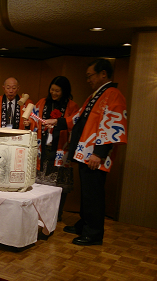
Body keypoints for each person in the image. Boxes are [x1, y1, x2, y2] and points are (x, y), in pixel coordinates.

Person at [44, 59, 128, 246]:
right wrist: (56, 122)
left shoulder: (113, 94)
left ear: (103, 74)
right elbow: (77, 117)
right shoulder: (96, 95)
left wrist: (99, 153)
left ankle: (94, 232)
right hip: (85, 151)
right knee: (87, 192)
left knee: (94, 194)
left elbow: (114, 125)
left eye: (90, 75)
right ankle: (85, 223)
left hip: (95, 154)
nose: (88, 79)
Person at [27, 76, 79, 221]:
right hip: (42, 149)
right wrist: (31, 121)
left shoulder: (72, 106)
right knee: (39, 184)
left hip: (60, 150)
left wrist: (58, 123)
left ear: (65, 91)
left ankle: (56, 214)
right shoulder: (42, 102)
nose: (54, 93)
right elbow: (33, 118)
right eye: (52, 89)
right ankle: (37, 214)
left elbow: (75, 123)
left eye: (57, 91)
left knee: (58, 186)